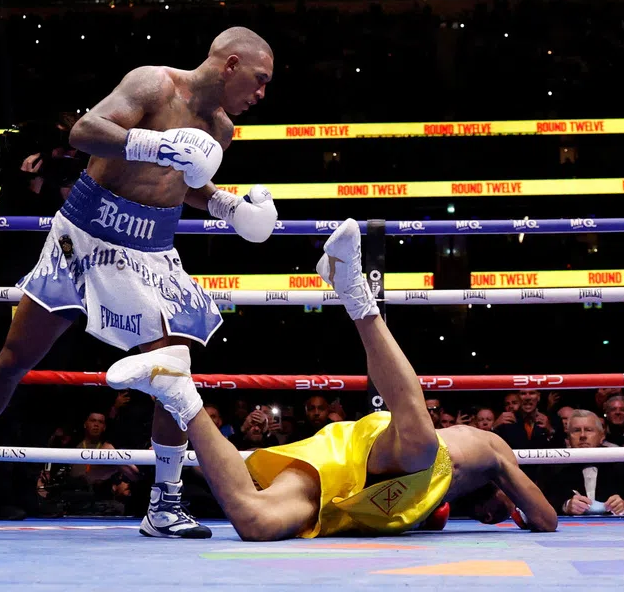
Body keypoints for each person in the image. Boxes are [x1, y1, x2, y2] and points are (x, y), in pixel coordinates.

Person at [0, 27, 279, 538]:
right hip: (83, 235)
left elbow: (185, 180)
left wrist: (226, 205)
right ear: (231, 64)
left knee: (175, 371)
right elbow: (85, 131)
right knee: (15, 359)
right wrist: (158, 143)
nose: (261, 93)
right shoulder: (154, 85)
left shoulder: (222, 130)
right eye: (259, 79)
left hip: (151, 250)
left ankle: (165, 504)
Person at [105, 220, 558, 539]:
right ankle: (356, 293)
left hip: (349, 502)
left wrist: (489, 509)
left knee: (256, 522)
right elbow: (546, 519)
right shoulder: (487, 451)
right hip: (372, 452)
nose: (491, 516)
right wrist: (510, 492)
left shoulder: (447, 502)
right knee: (422, 446)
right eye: (497, 512)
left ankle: (178, 388)